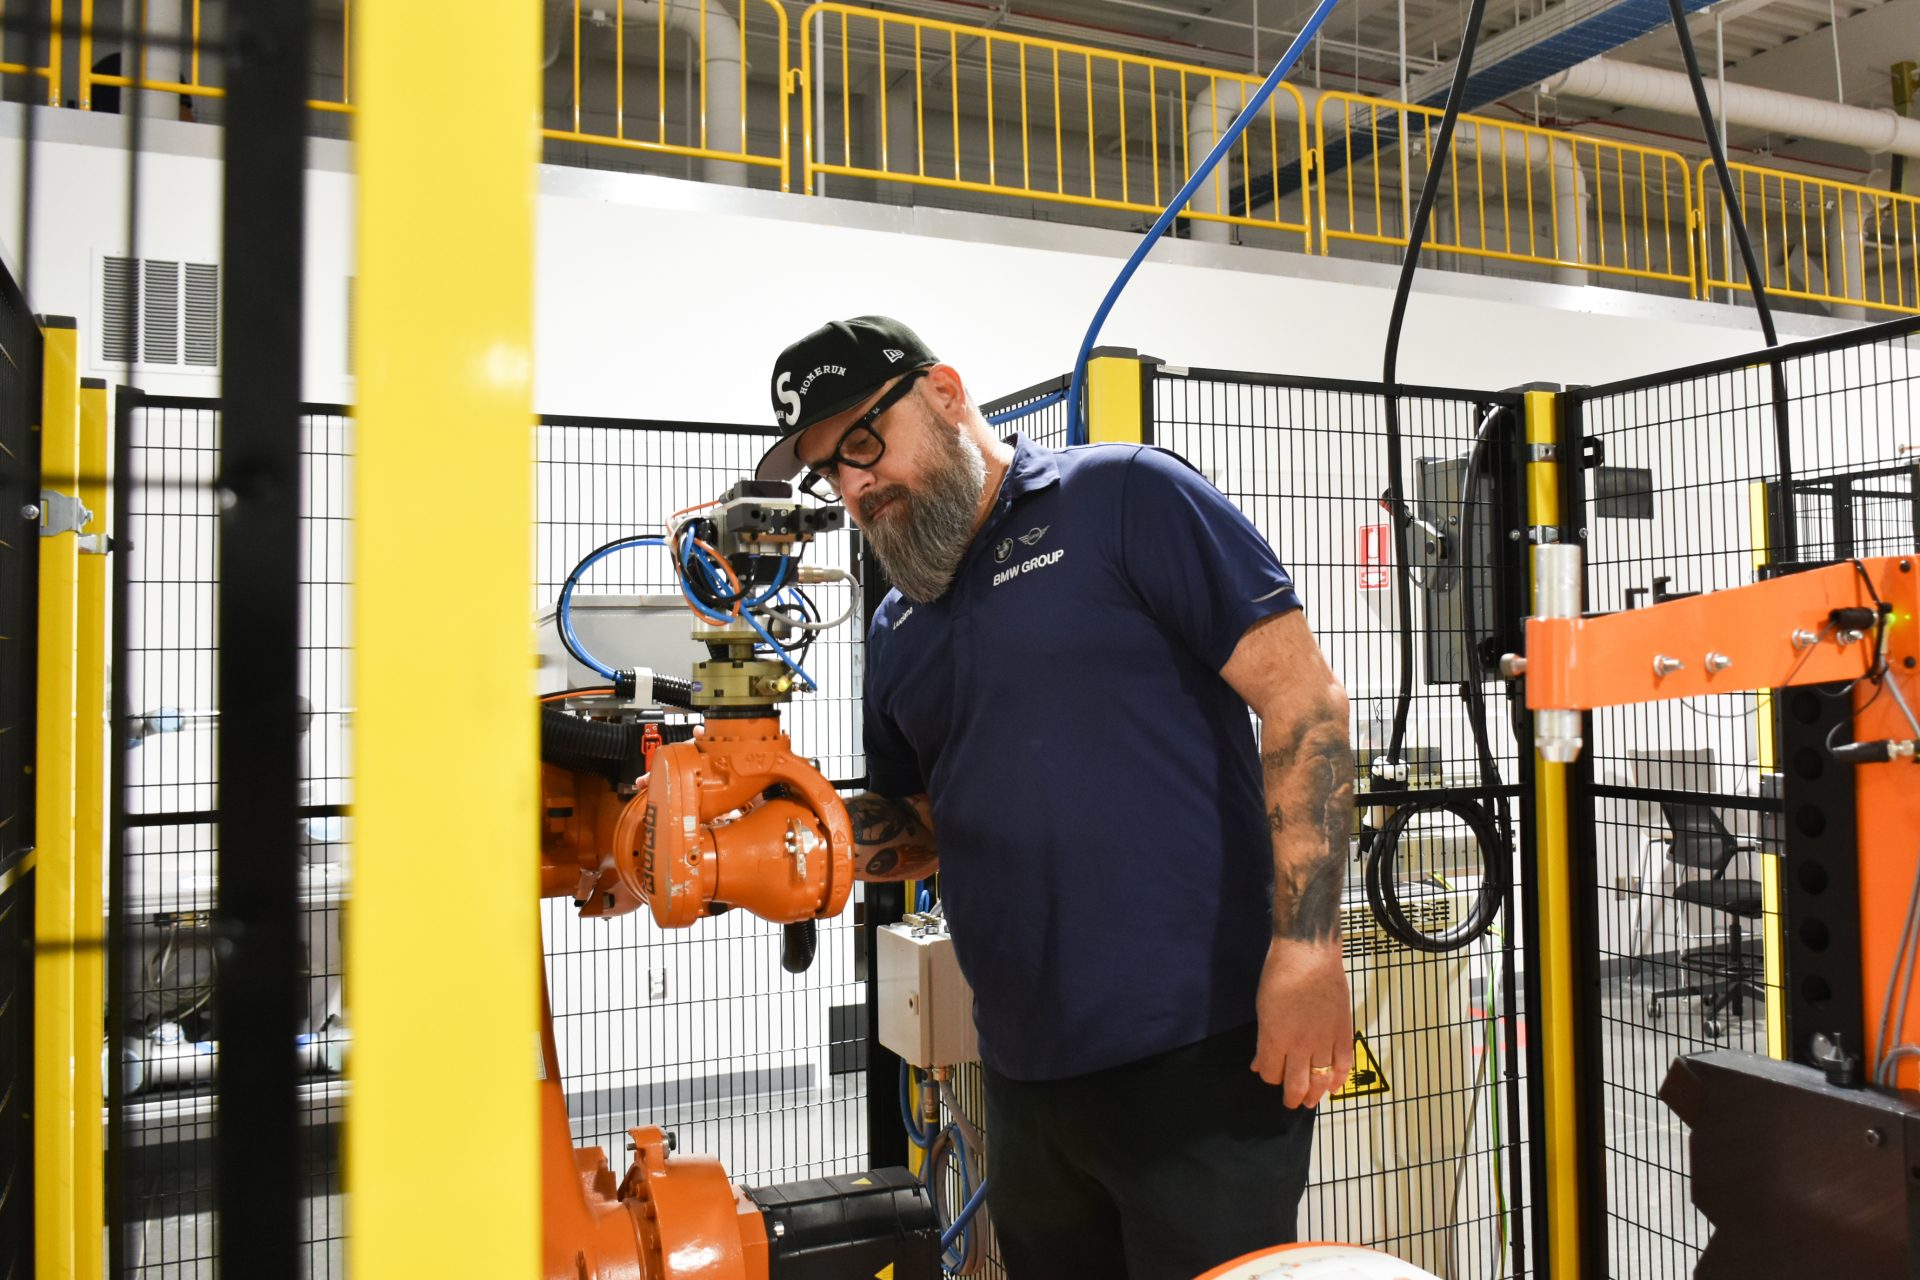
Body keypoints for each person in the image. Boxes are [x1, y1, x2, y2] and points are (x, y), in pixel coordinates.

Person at [758, 316, 1356, 1280]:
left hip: (1202, 1055)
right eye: (830, 469)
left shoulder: (1124, 496)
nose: (855, 485)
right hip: (1027, 1077)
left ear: (946, 394)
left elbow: (1305, 706)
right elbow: (919, 829)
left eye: (863, 441)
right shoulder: (897, 622)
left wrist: (1308, 951)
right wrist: (779, 836)